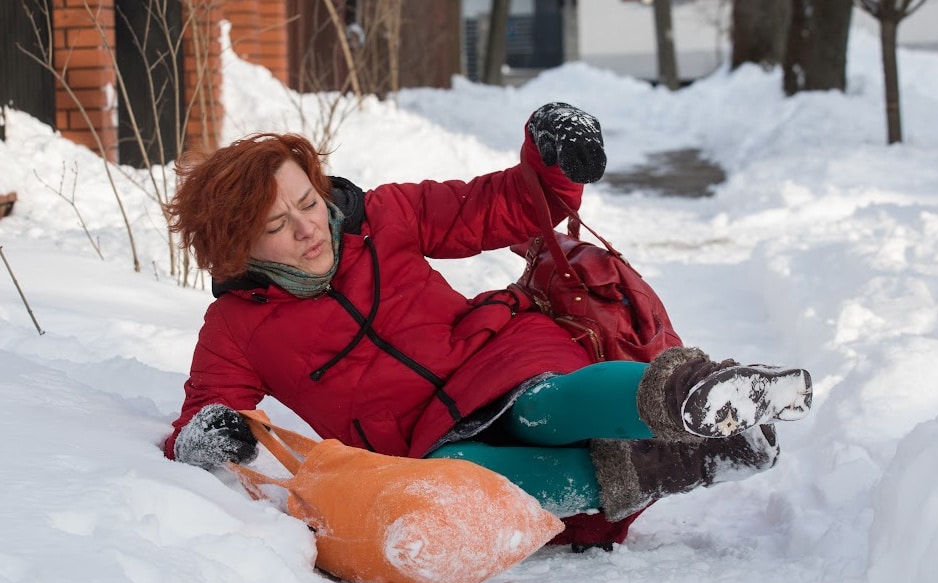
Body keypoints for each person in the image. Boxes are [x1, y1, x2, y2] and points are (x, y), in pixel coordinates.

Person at [163, 102, 812, 547]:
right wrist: (208, 434)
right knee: (456, 478)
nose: (308, 226)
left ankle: (693, 392)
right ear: (236, 246)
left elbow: (495, 205)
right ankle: (672, 462)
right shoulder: (236, 329)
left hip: (495, 356)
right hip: (432, 441)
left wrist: (552, 162)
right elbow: (206, 412)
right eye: (277, 225)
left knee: (540, 405)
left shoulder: (384, 217)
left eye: (308, 200)